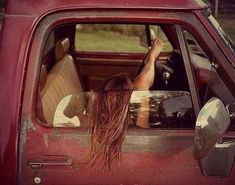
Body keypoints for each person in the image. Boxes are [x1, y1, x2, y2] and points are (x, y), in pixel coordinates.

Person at [87, 38, 163, 170]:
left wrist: (151, 57)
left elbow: (144, 80)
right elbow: (144, 80)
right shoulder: (140, 126)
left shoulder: (91, 125)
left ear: (102, 100)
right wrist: (152, 58)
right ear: (130, 101)